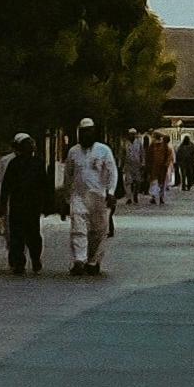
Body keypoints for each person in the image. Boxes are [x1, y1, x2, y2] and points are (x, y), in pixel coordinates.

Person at [63, 118, 119, 276]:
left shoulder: (104, 150)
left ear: (94, 133)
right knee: (78, 229)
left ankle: (93, 261)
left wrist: (111, 192)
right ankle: (79, 260)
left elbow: (112, 172)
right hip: (78, 196)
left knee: (98, 231)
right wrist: (66, 198)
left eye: (89, 131)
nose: (86, 135)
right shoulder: (73, 151)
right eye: (83, 132)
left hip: (99, 197)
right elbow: (68, 176)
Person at [0, 132, 49, 274]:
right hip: (17, 205)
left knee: (33, 233)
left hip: (33, 205)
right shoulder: (13, 164)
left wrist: (47, 203)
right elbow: (6, 185)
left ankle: (35, 259)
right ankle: (19, 263)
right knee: (17, 235)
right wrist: (3, 202)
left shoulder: (38, 163)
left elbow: (44, 184)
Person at [146, 132, 172, 206]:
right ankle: (160, 197)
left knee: (154, 182)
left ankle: (154, 197)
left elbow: (148, 157)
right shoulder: (164, 146)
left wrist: (148, 166)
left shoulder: (152, 146)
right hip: (161, 167)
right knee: (161, 183)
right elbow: (169, 156)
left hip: (155, 167)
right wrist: (166, 164)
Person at [122, 129, 147, 204]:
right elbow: (122, 154)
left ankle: (135, 194)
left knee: (138, 181)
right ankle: (129, 197)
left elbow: (142, 153)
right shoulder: (125, 143)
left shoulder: (139, 143)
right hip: (128, 165)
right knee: (128, 182)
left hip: (137, 165)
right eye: (130, 134)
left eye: (133, 134)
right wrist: (121, 164)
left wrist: (143, 163)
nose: (132, 135)